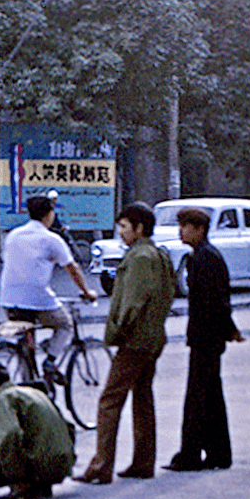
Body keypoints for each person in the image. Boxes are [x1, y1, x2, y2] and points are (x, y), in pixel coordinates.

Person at [75, 202, 176, 484]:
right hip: (153, 338)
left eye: (124, 227)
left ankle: (101, 465)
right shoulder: (158, 254)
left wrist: (117, 331)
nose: (120, 232)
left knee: (110, 400)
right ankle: (143, 462)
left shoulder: (140, 257)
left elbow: (132, 302)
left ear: (139, 228)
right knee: (142, 398)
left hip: (136, 340)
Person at [163, 208, 245, 472]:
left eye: (185, 226)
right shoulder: (201, 257)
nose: (180, 232)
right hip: (206, 336)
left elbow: (216, 301)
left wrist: (227, 328)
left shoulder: (205, 259)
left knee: (198, 397)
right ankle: (218, 453)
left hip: (206, 337)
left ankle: (191, 454)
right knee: (210, 396)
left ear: (198, 229)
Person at [0, 195, 98, 384]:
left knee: (26, 342)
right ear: (49, 214)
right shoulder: (51, 239)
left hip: (8, 298)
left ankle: (29, 381)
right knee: (65, 324)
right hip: (36, 299)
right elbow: (73, 269)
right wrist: (87, 292)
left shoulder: (13, 236)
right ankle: (50, 361)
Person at [0, 359, 76, 499]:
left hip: (40, 470)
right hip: (62, 466)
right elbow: (69, 427)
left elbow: (10, 434)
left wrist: (16, 475)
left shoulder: (2, 399)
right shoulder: (35, 392)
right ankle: (42, 485)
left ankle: (23, 486)